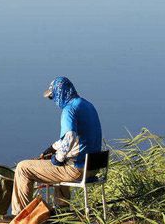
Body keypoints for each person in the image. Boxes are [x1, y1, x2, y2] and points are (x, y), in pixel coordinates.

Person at [10, 77, 102, 214]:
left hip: (77, 170)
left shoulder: (69, 110)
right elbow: (78, 137)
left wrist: (58, 158)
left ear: (61, 93)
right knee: (62, 162)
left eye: (52, 96)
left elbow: (70, 137)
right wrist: (52, 148)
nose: (53, 100)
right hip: (93, 167)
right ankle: (63, 212)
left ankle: (19, 216)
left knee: (22, 168)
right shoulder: (87, 105)